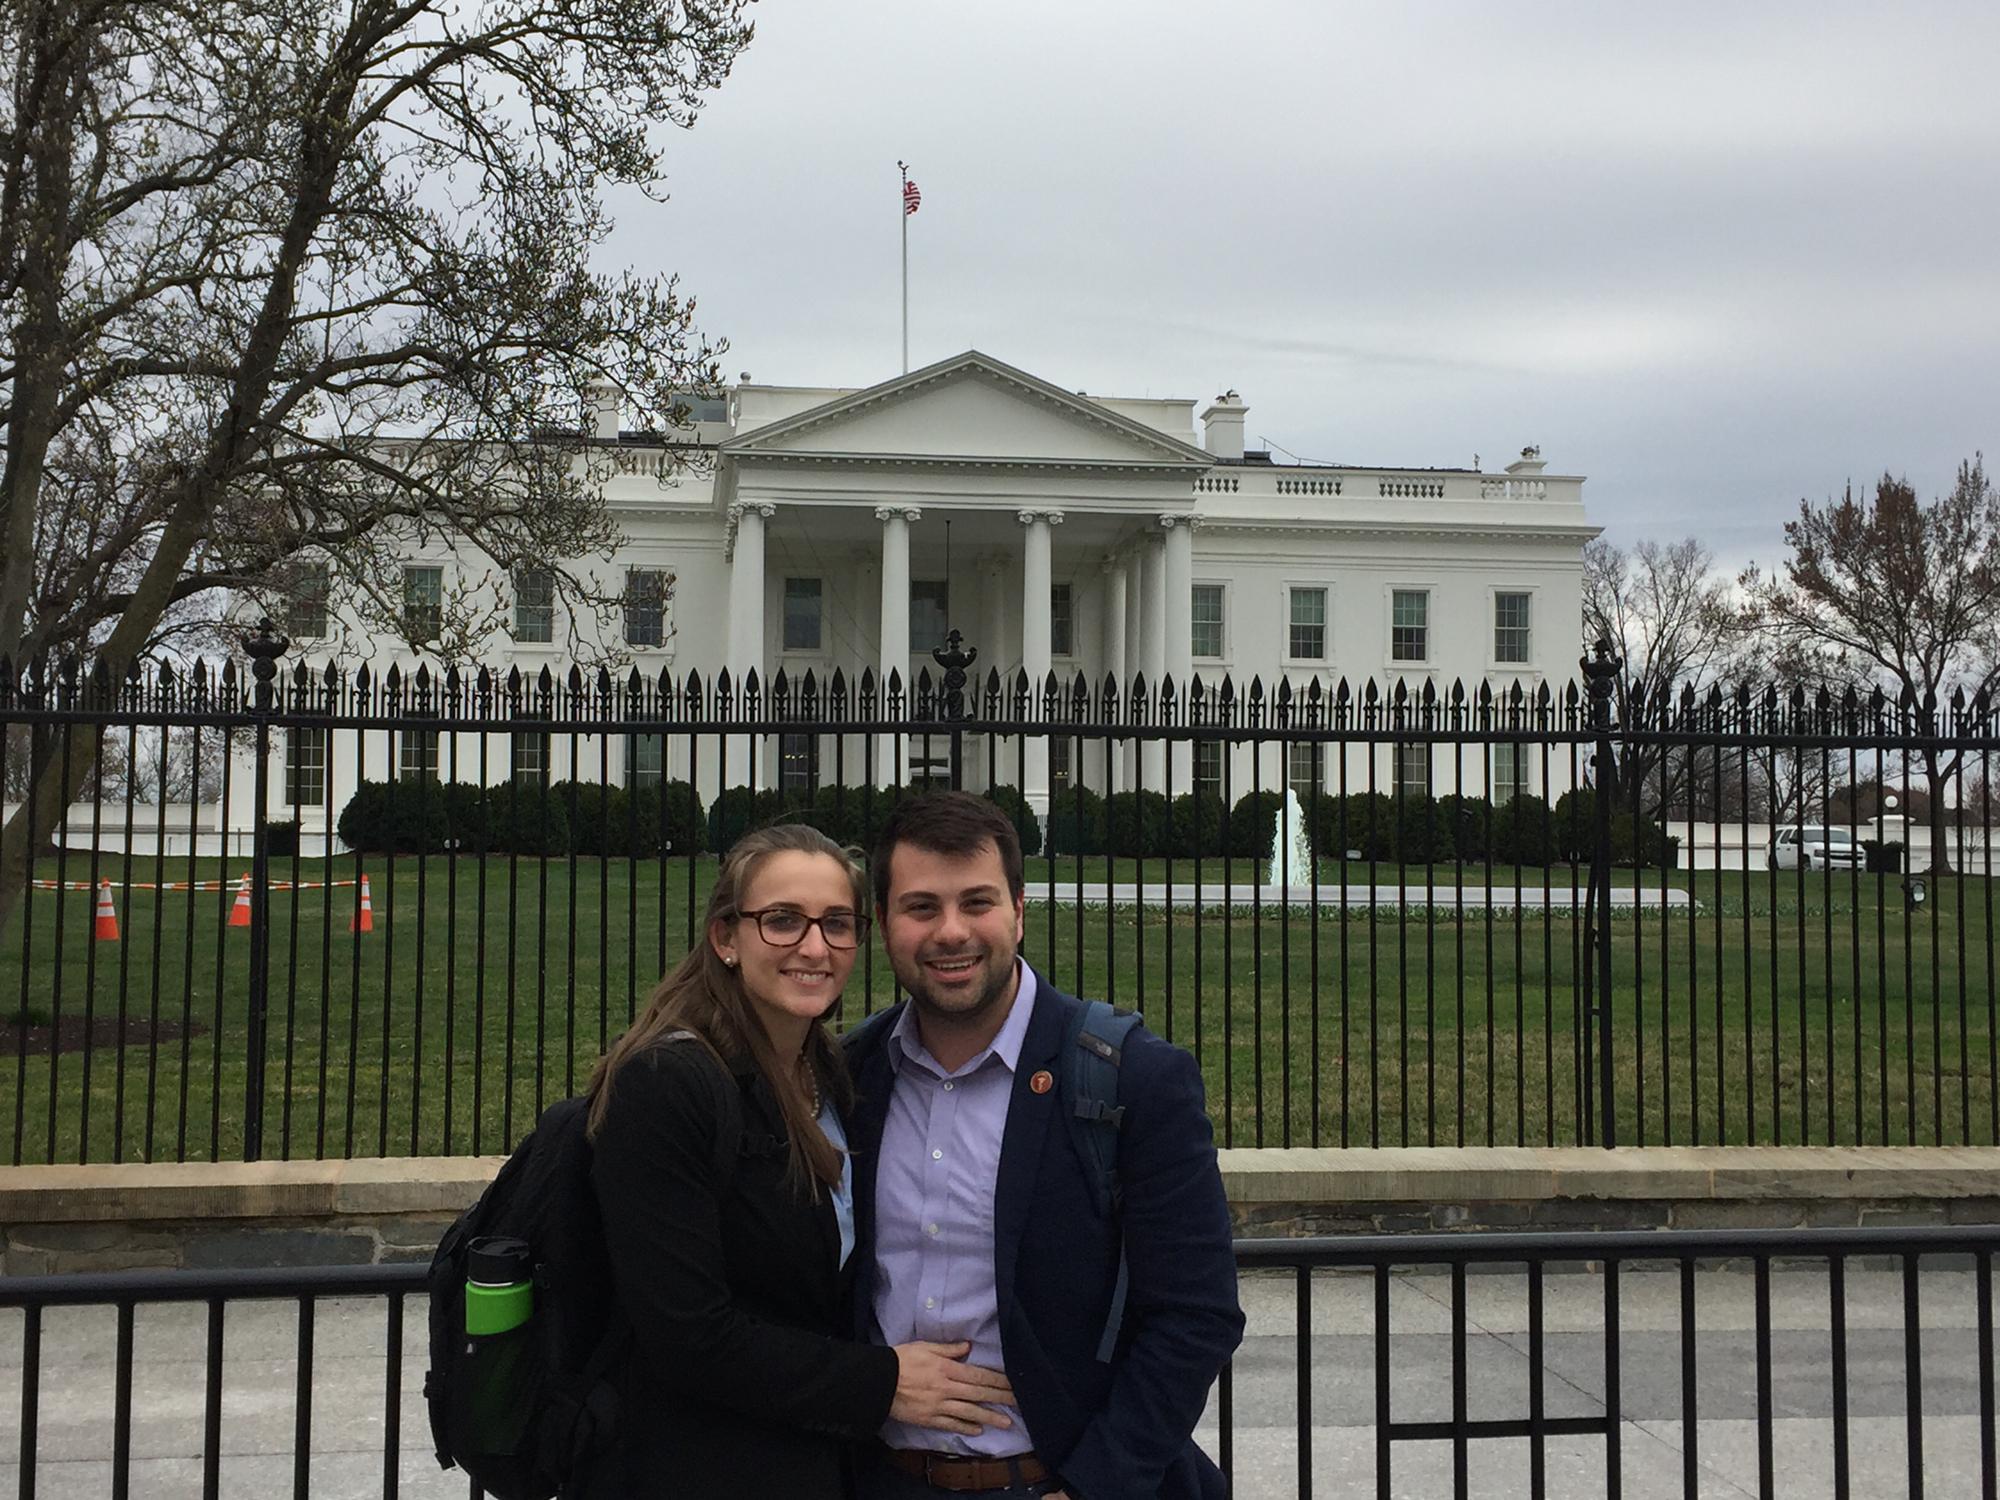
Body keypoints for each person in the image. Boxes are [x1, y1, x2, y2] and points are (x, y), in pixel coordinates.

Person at [579, 822, 1018, 1499]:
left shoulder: (831, 1073)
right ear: (726, 937)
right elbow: (686, 1334)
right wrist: (883, 1382)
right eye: (782, 921)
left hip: (800, 1461)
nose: (814, 947)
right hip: (690, 1467)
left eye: (836, 924)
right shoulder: (668, 1084)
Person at [844, 792, 1244, 1500]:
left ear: (1019, 911)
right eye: (921, 907)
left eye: (977, 902)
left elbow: (1196, 1314)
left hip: (1055, 1482)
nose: (951, 931)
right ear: (883, 923)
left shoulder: (1135, 1079)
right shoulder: (850, 1078)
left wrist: (1092, 1487)